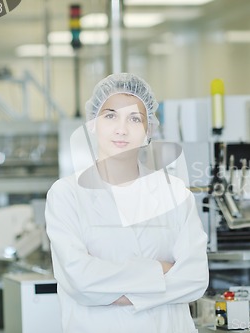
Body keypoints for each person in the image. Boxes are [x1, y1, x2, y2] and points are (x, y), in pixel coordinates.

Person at [45, 73, 209, 333]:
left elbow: (196, 277)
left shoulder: (174, 192)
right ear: (93, 124)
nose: (122, 129)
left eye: (135, 118)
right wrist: (162, 272)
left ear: (149, 130)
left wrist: (111, 287)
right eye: (110, 115)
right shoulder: (66, 194)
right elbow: (81, 281)